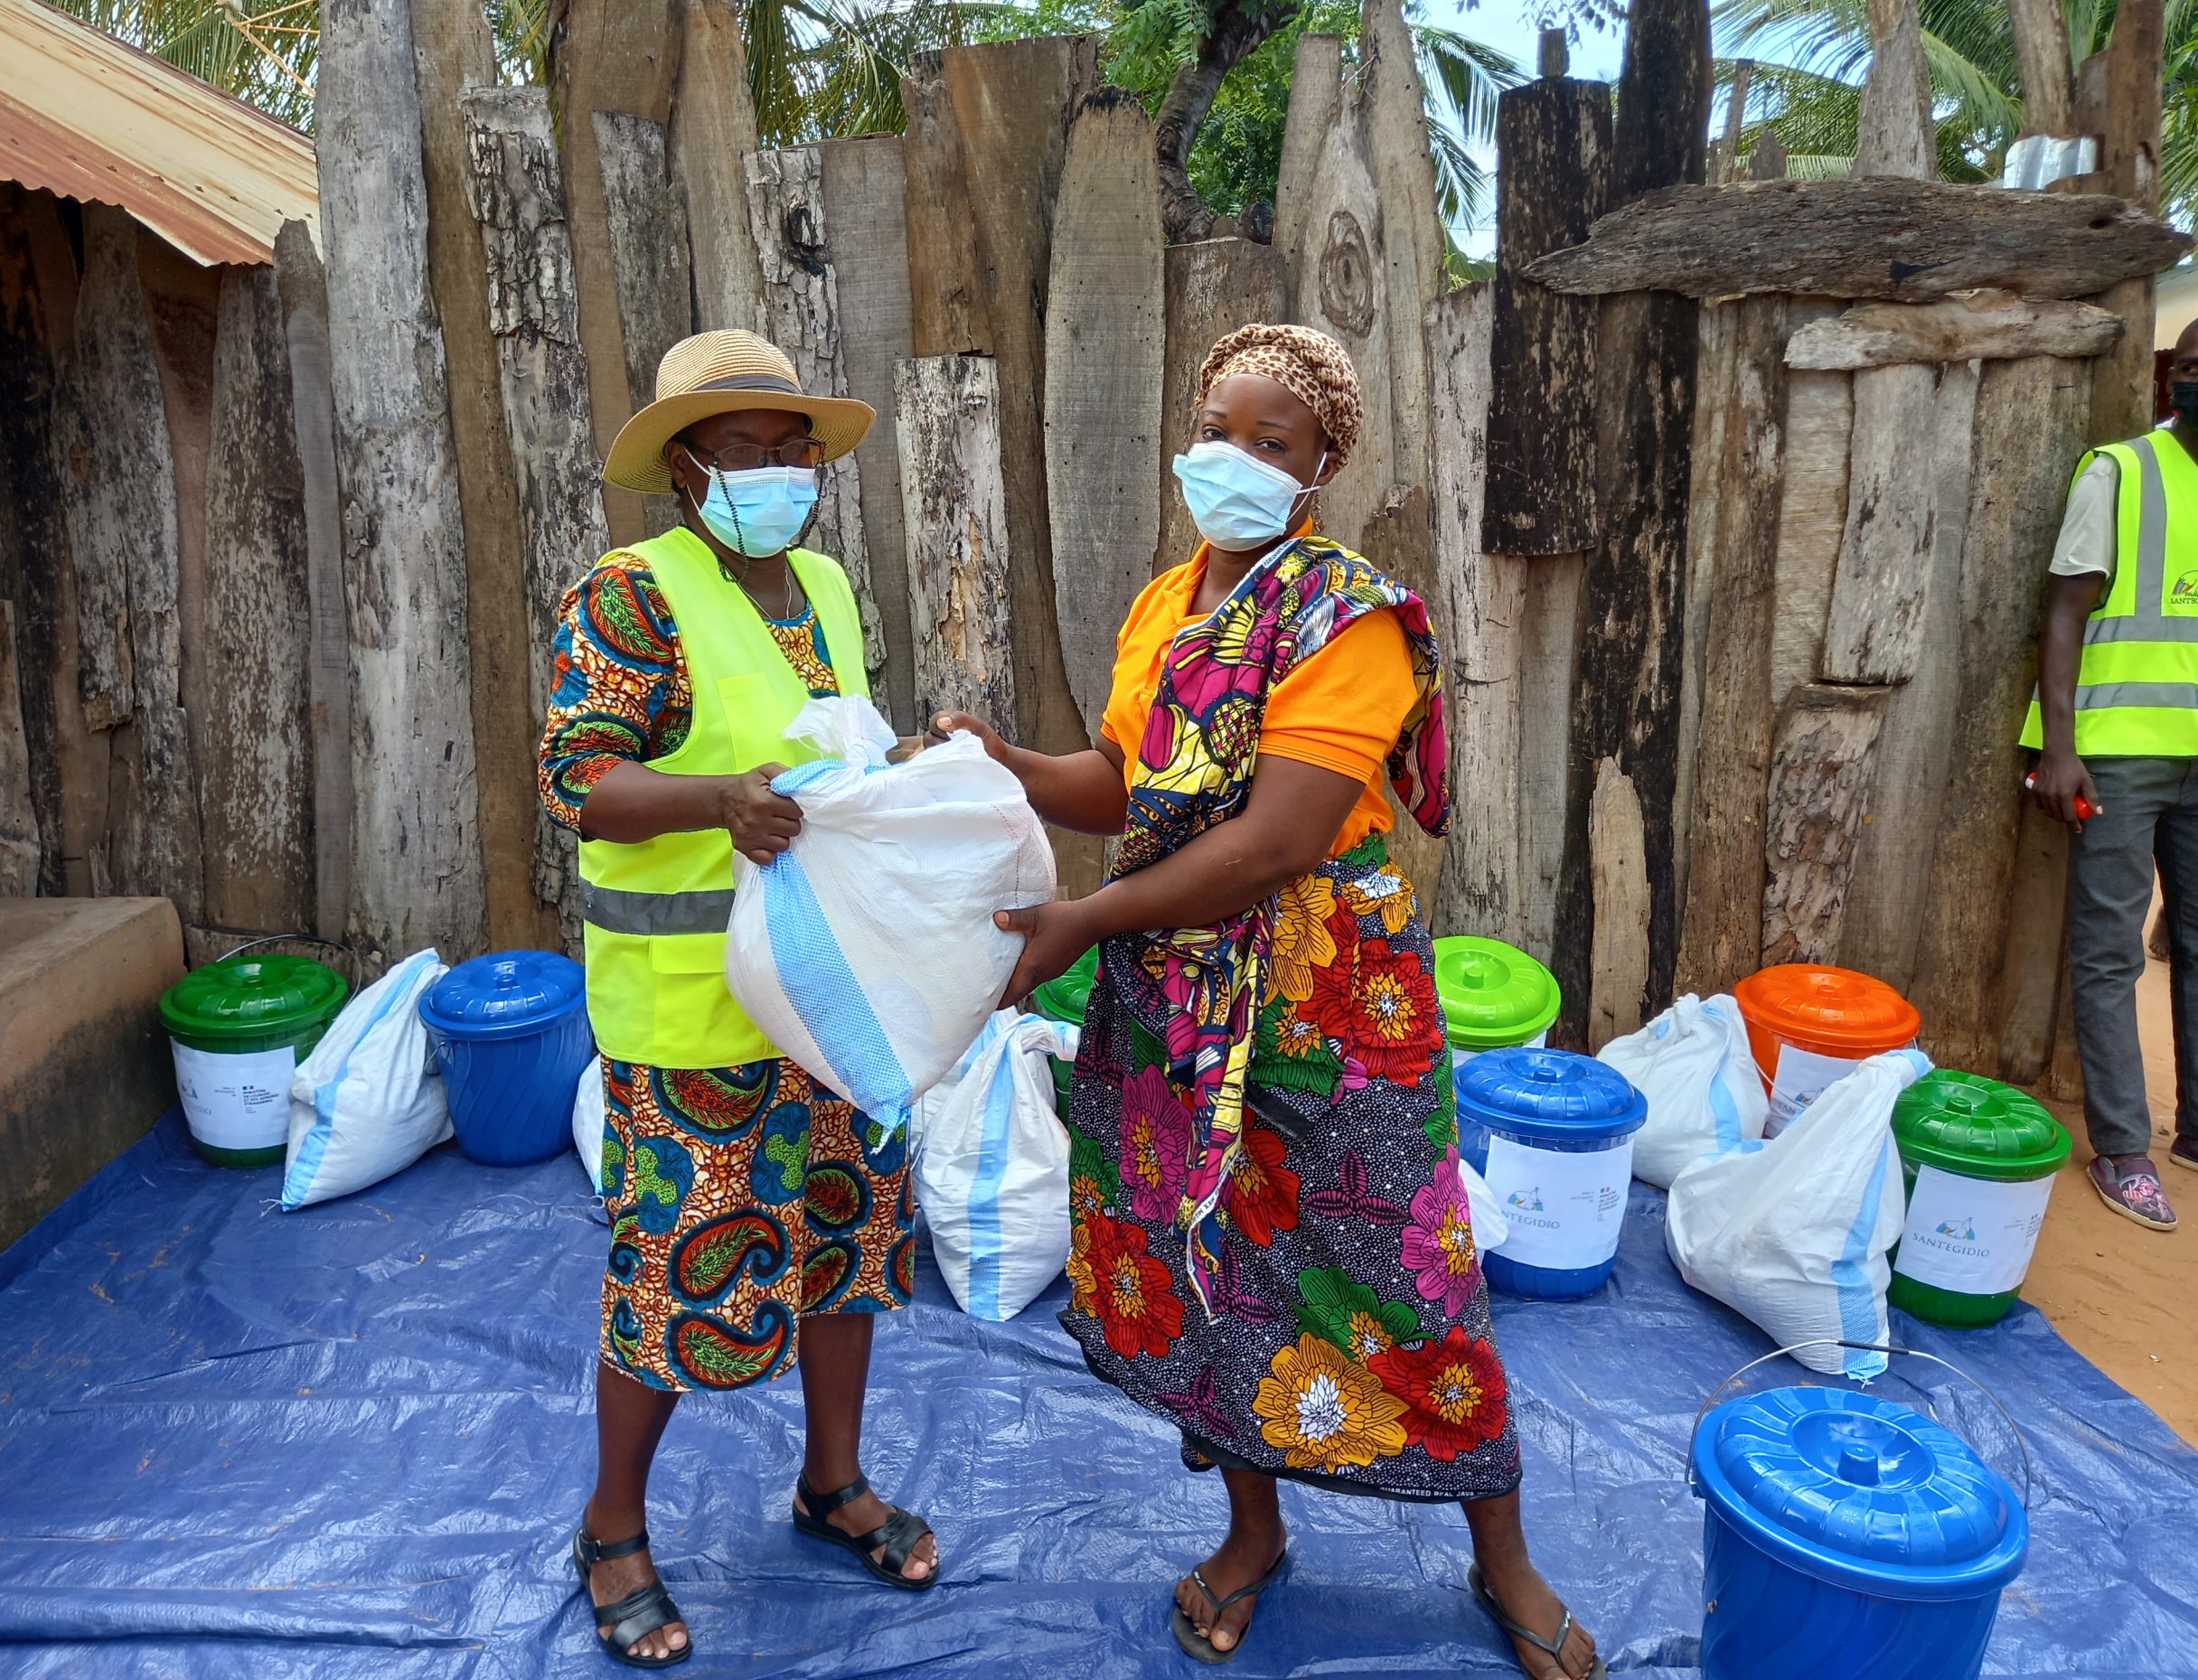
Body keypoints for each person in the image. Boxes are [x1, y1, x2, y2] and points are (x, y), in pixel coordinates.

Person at [942, 324, 1602, 1679]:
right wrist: (1005, 762)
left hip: (1324, 993)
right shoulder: (1165, 602)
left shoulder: (1347, 617)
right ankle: (1254, 1534)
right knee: (1208, 1264)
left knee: (1405, 1264)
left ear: (1321, 469)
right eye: (1218, 429)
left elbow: (1274, 842)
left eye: (1272, 443)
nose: (1232, 459)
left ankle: (1505, 1561)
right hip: (1176, 986)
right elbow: (1132, 786)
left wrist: (1083, 919)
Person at [540, 331, 936, 1667]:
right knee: (674, 1266)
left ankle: (832, 1483)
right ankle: (612, 1526)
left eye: (794, 448)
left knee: (845, 1242)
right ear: (686, 464)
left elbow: (825, 752)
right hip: (695, 1012)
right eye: (748, 449)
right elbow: (582, 784)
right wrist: (721, 802)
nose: (778, 471)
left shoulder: (820, 583)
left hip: (831, 1005)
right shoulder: (632, 595)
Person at [2025, 304, 2198, 1231]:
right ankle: (2121, 1148)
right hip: (2120, 754)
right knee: (2109, 949)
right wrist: (2058, 748)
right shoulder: (2122, 472)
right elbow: (2066, 610)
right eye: (2188, 365)